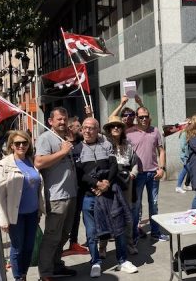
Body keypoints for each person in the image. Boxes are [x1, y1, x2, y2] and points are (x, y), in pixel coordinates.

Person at [78, 117, 138, 276]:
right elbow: (80, 174)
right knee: (91, 233)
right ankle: (95, 262)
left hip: (109, 193)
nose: (88, 131)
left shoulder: (107, 144)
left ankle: (122, 260)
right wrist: (96, 184)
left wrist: (107, 184)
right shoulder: (77, 148)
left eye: (91, 128)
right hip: (89, 196)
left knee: (119, 229)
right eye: (85, 127)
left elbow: (113, 165)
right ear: (81, 130)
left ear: (97, 130)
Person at [0, 131, 45, 281]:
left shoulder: (31, 161)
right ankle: (18, 278)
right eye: (17, 143)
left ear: (29, 144)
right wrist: (3, 219)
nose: (21, 145)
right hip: (15, 215)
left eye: (25, 142)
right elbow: (0, 195)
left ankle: (23, 274)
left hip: (32, 213)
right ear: (11, 145)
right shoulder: (4, 165)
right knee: (17, 248)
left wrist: (39, 209)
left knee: (29, 247)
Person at [35, 107, 77, 279]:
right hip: (56, 196)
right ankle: (45, 272)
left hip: (71, 193)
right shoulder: (45, 138)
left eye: (64, 119)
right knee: (52, 236)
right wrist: (62, 152)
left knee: (64, 234)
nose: (62, 122)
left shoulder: (66, 137)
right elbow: (39, 162)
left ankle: (56, 265)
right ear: (50, 121)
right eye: (59, 119)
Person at [126, 106, 169, 244]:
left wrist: (161, 168)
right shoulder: (129, 133)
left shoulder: (155, 131)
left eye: (146, 116)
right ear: (136, 118)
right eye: (141, 117)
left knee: (154, 204)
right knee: (136, 206)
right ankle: (133, 236)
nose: (144, 119)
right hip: (137, 175)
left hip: (153, 173)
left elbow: (161, 151)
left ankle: (155, 233)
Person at [103, 115, 139, 255]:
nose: (116, 128)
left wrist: (133, 174)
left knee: (127, 214)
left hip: (125, 182)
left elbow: (135, 163)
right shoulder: (104, 144)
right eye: (113, 126)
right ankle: (103, 247)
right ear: (109, 129)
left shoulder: (128, 145)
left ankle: (129, 244)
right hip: (110, 181)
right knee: (106, 214)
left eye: (118, 126)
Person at [63, 116, 89, 255]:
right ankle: (65, 243)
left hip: (83, 185)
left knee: (78, 215)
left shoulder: (82, 142)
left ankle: (74, 242)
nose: (81, 128)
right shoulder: (64, 144)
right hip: (68, 186)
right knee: (68, 216)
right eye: (78, 126)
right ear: (70, 128)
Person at [176, 119, 192, 193]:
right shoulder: (184, 133)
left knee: (184, 171)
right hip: (185, 156)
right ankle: (179, 186)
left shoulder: (188, 133)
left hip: (187, 156)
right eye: (189, 124)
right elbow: (183, 146)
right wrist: (187, 155)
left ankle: (180, 186)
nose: (191, 125)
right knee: (190, 171)